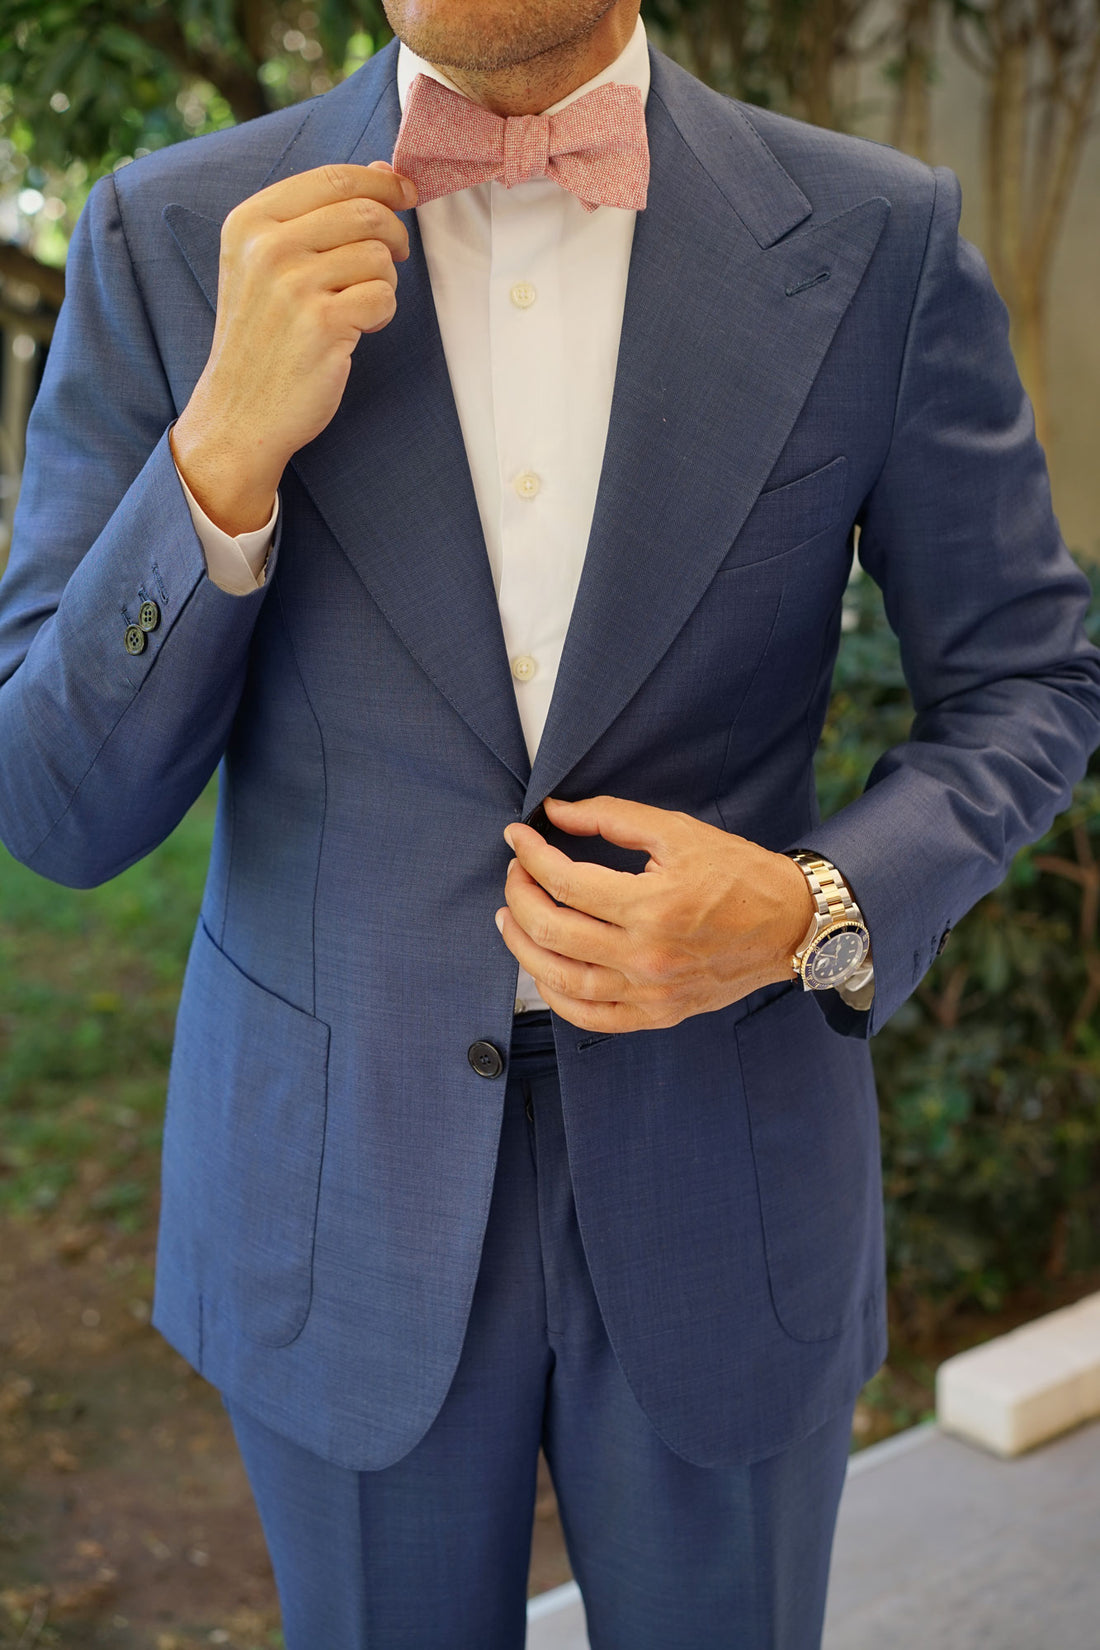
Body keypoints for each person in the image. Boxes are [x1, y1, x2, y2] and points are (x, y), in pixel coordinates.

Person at [1, 1, 1098, 1644]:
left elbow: (1028, 679)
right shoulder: (169, 236)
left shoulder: (877, 237)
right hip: (335, 1191)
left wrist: (812, 903)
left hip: (727, 1176)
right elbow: (57, 806)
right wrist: (218, 453)